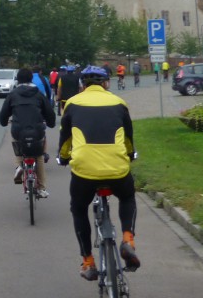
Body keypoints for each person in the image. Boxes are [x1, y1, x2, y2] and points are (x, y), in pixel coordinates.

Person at [57, 65, 139, 281]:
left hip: (85, 171)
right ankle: (128, 239)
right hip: (117, 168)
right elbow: (129, 137)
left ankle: (88, 261)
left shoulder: (72, 103)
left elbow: (66, 138)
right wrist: (130, 154)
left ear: (83, 85)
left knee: (78, 209)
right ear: (106, 83)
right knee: (128, 196)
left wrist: (63, 157)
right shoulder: (119, 103)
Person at [0, 67, 57, 197]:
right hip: (37, 131)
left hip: (18, 130)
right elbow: (49, 113)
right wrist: (51, 123)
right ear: (31, 79)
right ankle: (41, 188)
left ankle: (19, 166)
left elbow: (3, 115)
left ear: (18, 80)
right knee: (39, 156)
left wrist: (4, 121)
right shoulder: (38, 95)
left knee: (17, 143)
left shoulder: (12, 95)